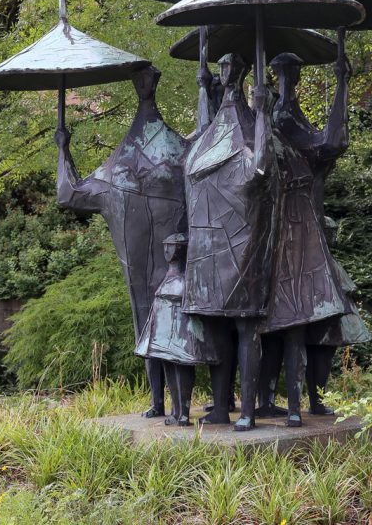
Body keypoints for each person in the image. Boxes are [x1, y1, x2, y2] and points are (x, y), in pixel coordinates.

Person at [54, 65, 187, 419]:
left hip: (153, 271)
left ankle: (164, 404)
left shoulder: (115, 172)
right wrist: (63, 148)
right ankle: (171, 405)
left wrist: (63, 149)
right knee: (165, 324)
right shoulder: (182, 157)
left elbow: (68, 193)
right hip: (181, 266)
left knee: (146, 322)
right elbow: (69, 195)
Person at [270, 46, 370, 415]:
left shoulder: (287, 112)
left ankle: (311, 400)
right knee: (296, 325)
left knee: (320, 328)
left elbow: (327, 145)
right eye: (285, 73)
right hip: (293, 235)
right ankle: (284, 403)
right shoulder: (280, 115)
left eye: (292, 73)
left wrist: (343, 84)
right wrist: (342, 83)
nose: (290, 79)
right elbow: (329, 144)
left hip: (307, 231)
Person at [184, 53, 279, 431]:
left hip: (245, 247)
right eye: (220, 67)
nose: (223, 73)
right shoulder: (215, 131)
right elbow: (192, 161)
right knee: (218, 328)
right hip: (208, 249)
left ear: (238, 73)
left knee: (245, 329)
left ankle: (250, 411)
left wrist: (266, 113)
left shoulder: (247, 125)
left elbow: (260, 168)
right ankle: (222, 407)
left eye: (228, 68)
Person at [136, 233, 226, 426]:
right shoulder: (168, 275)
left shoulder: (189, 278)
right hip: (164, 332)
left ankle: (183, 412)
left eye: (172, 247)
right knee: (168, 365)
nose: (168, 251)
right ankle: (176, 410)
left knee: (182, 368)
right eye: (166, 247)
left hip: (183, 334)